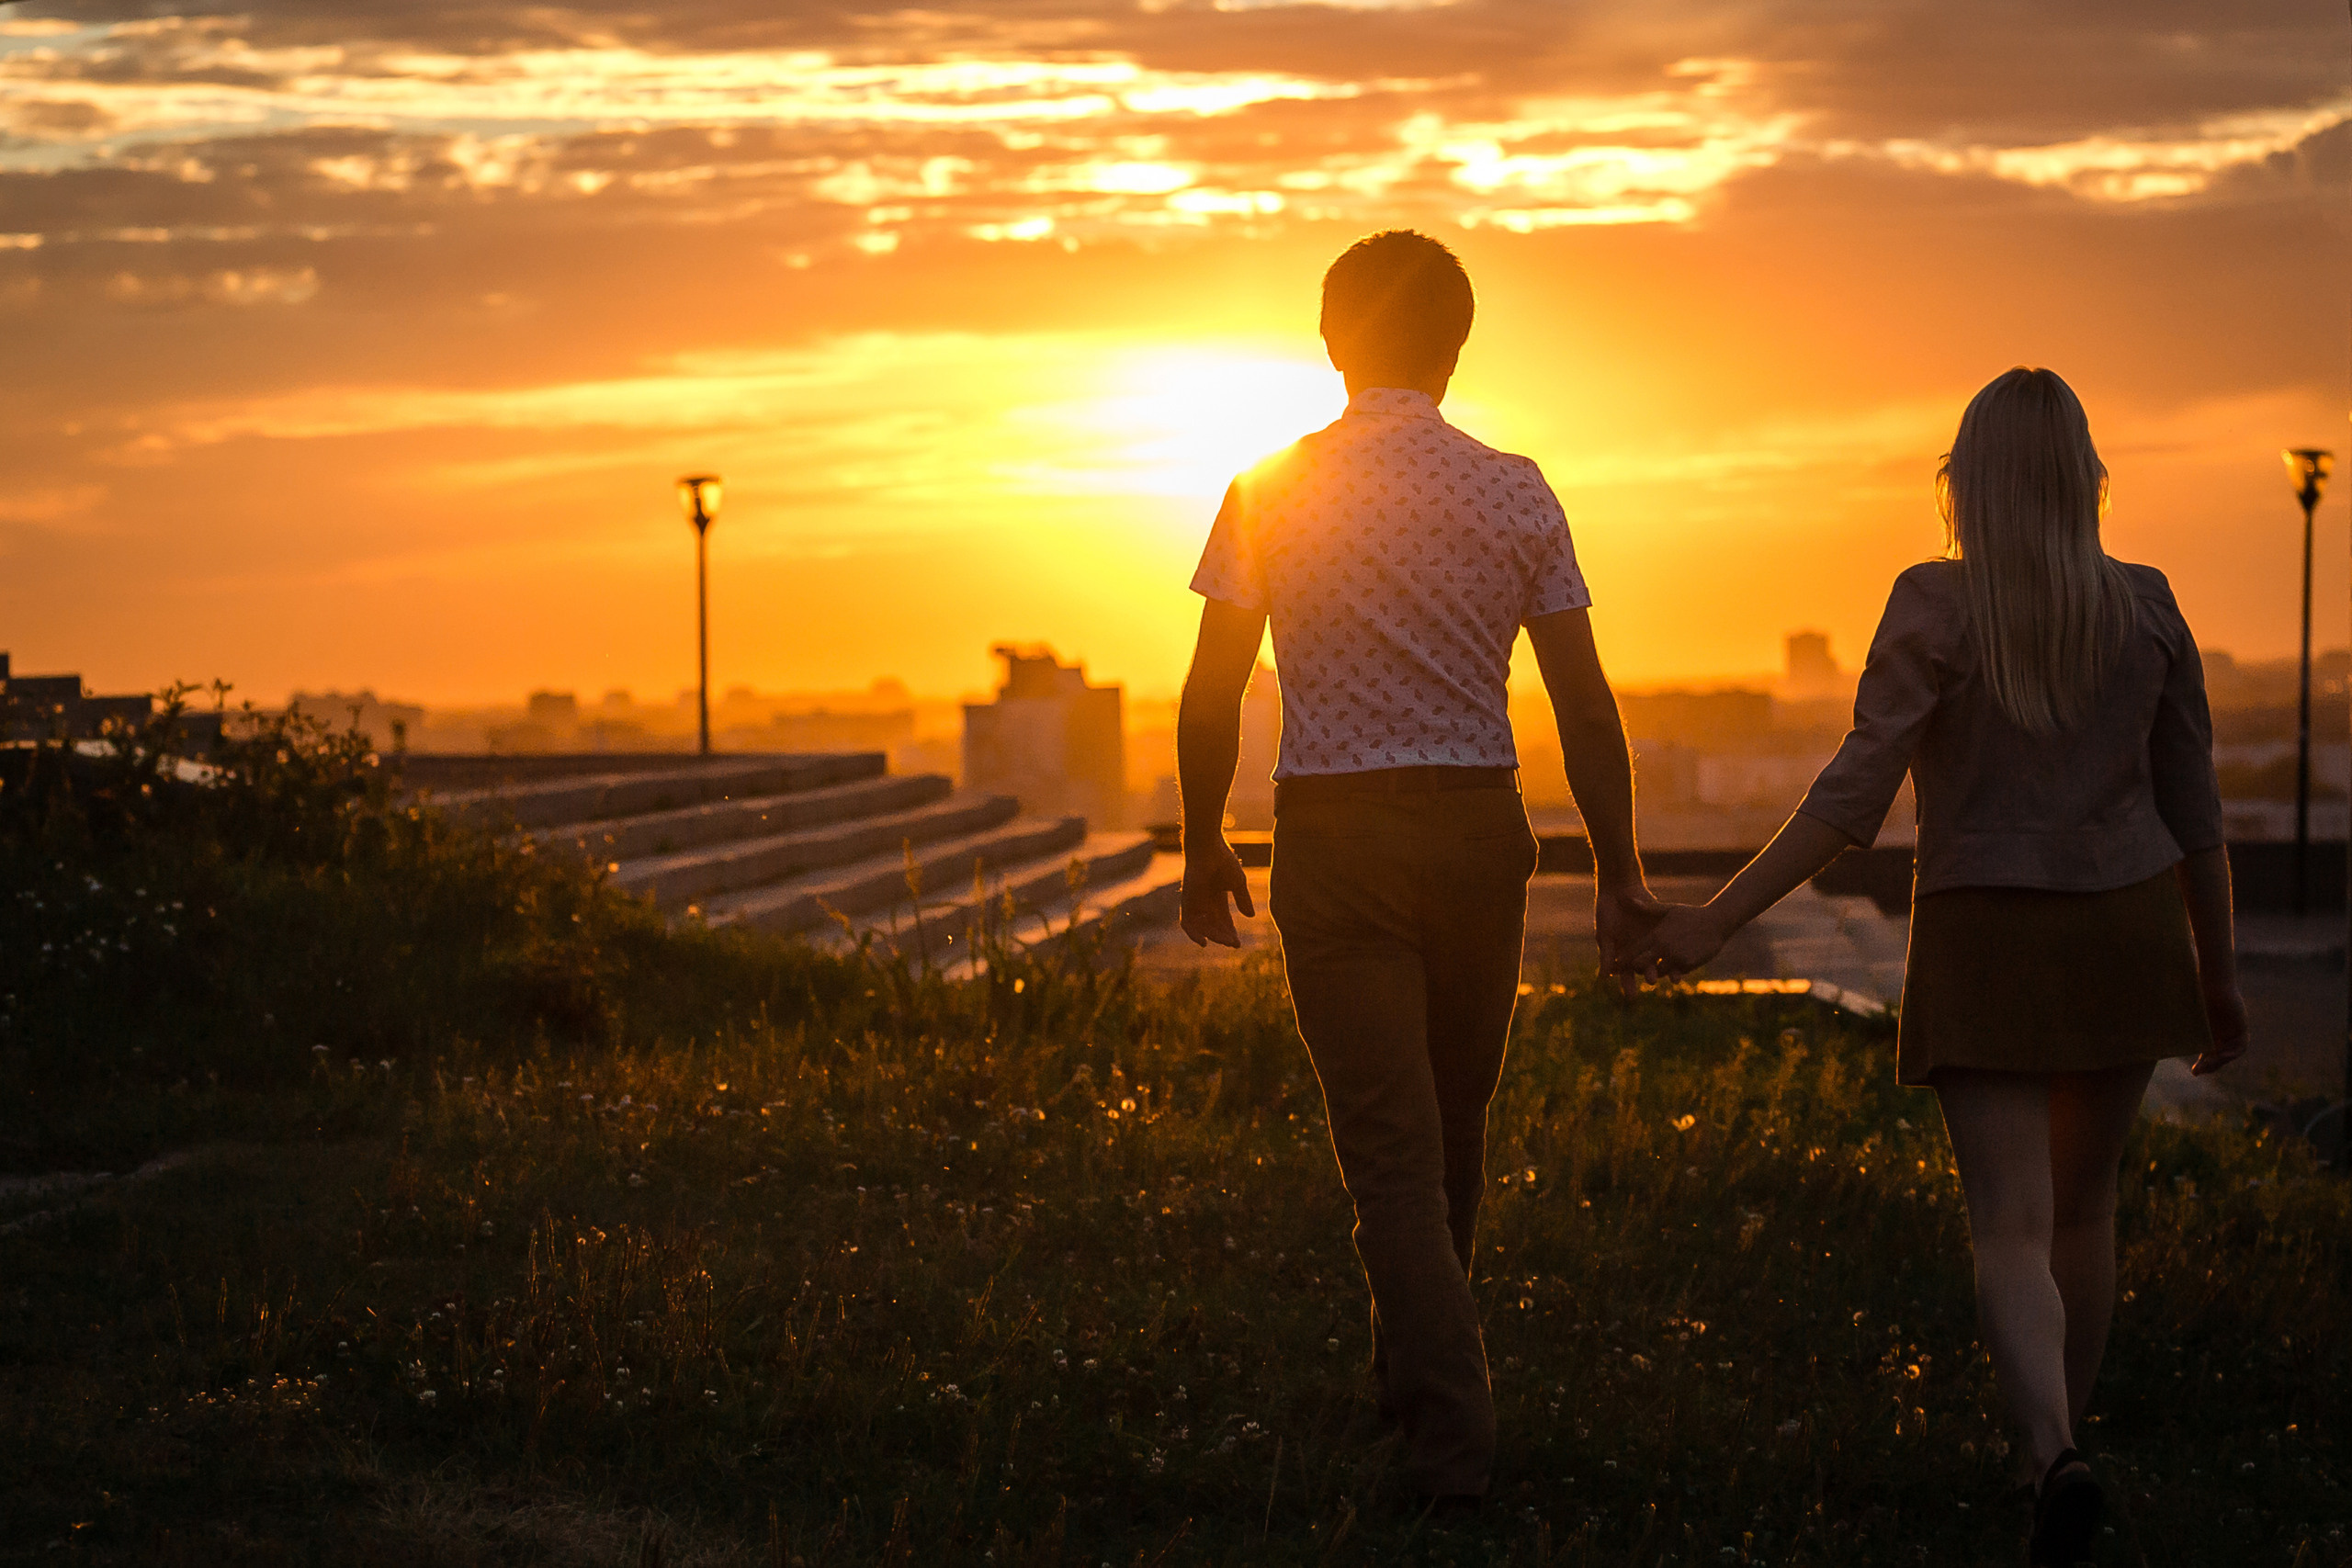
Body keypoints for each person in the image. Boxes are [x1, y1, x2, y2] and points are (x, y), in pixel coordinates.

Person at [1624, 367, 2248, 1566]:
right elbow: (2198, 817)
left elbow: (1848, 802)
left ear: (1963, 486)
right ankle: (2057, 1463)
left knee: (2009, 1227)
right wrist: (2217, 976)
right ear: (2085, 481)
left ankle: (2050, 1455)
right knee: (2088, 1210)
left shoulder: (1934, 604)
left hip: (1986, 933)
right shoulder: (2150, 608)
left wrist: (1716, 916)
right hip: (2124, 935)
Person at [1175, 229, 1660, 1505]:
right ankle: (1417, 1393)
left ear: (1332, 342)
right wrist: (1620, 871)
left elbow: (1213, 689)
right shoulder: (1516, 490)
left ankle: (1448, 1437)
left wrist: (1199, 835)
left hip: (1334, 836)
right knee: (1449, 1131)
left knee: (1392, 1147)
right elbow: (1588, 709)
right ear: (1456, 347)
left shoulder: (1267, 488)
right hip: (1475, 834)